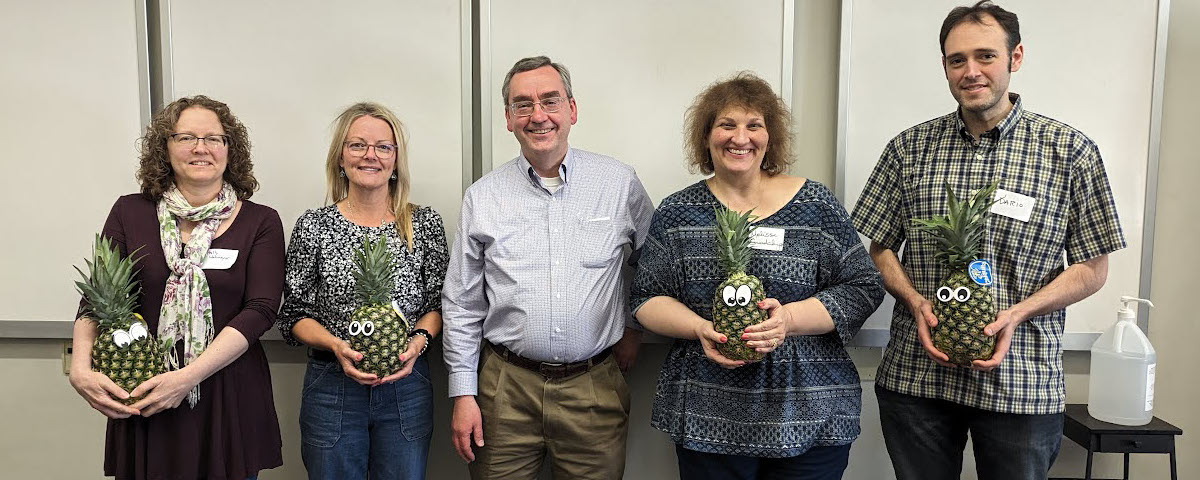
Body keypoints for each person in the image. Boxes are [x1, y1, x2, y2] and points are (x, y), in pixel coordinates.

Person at [850, 2, 1126, 479]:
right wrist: (914, 300)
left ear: (1015, 57)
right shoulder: (908, 149)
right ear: (944, 66)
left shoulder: (1070, 152)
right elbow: (877, 247)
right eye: (957, 60)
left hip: (1022, 381)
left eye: (985, 56)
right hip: (918, 377)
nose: (971, 71)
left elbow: (1091, 269)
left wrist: (1016, 313)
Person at [631, 73, 884, 480]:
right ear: (707, 136)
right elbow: (646, 297)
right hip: (708, 416)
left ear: (771, 137)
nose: (740, 138)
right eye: (726, 125)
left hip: (810, 413)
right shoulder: (677, 213)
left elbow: (863, 285)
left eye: (754, 125)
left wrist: (789, 319)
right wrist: (699, 327)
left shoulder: (815, 204)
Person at [441, 55, 655, 480]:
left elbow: (651, 264)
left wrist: (634, 328)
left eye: (550, 101)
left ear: (571, 110)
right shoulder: (483, 197)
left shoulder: (618, 183)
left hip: (593, 387)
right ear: (508, 118)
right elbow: (463, 302)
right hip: (504, 389)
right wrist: (463, 393)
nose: (537, 115)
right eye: (523, 104)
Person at [67, 95, 284, 480]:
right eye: (186, 137)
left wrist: (186, 378)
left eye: (214, 138)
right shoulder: (129, 211)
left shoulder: (261, 221)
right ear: (165, 149)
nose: (200, 147)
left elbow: (262, 309)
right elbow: (97, 294)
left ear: (230, 150)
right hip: (145, 389)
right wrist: (81, 369)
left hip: (226, 394)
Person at [277, 102, 448, 479]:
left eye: (383, 147)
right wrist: (337, 346)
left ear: (395, 159)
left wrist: (417, 342)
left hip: (407, 383)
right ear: (341, 157)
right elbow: (293, 314)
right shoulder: (314, 226)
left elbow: (437, 303)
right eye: (357, 145)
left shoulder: (423, 223)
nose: (370, 155)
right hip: (331, 385)